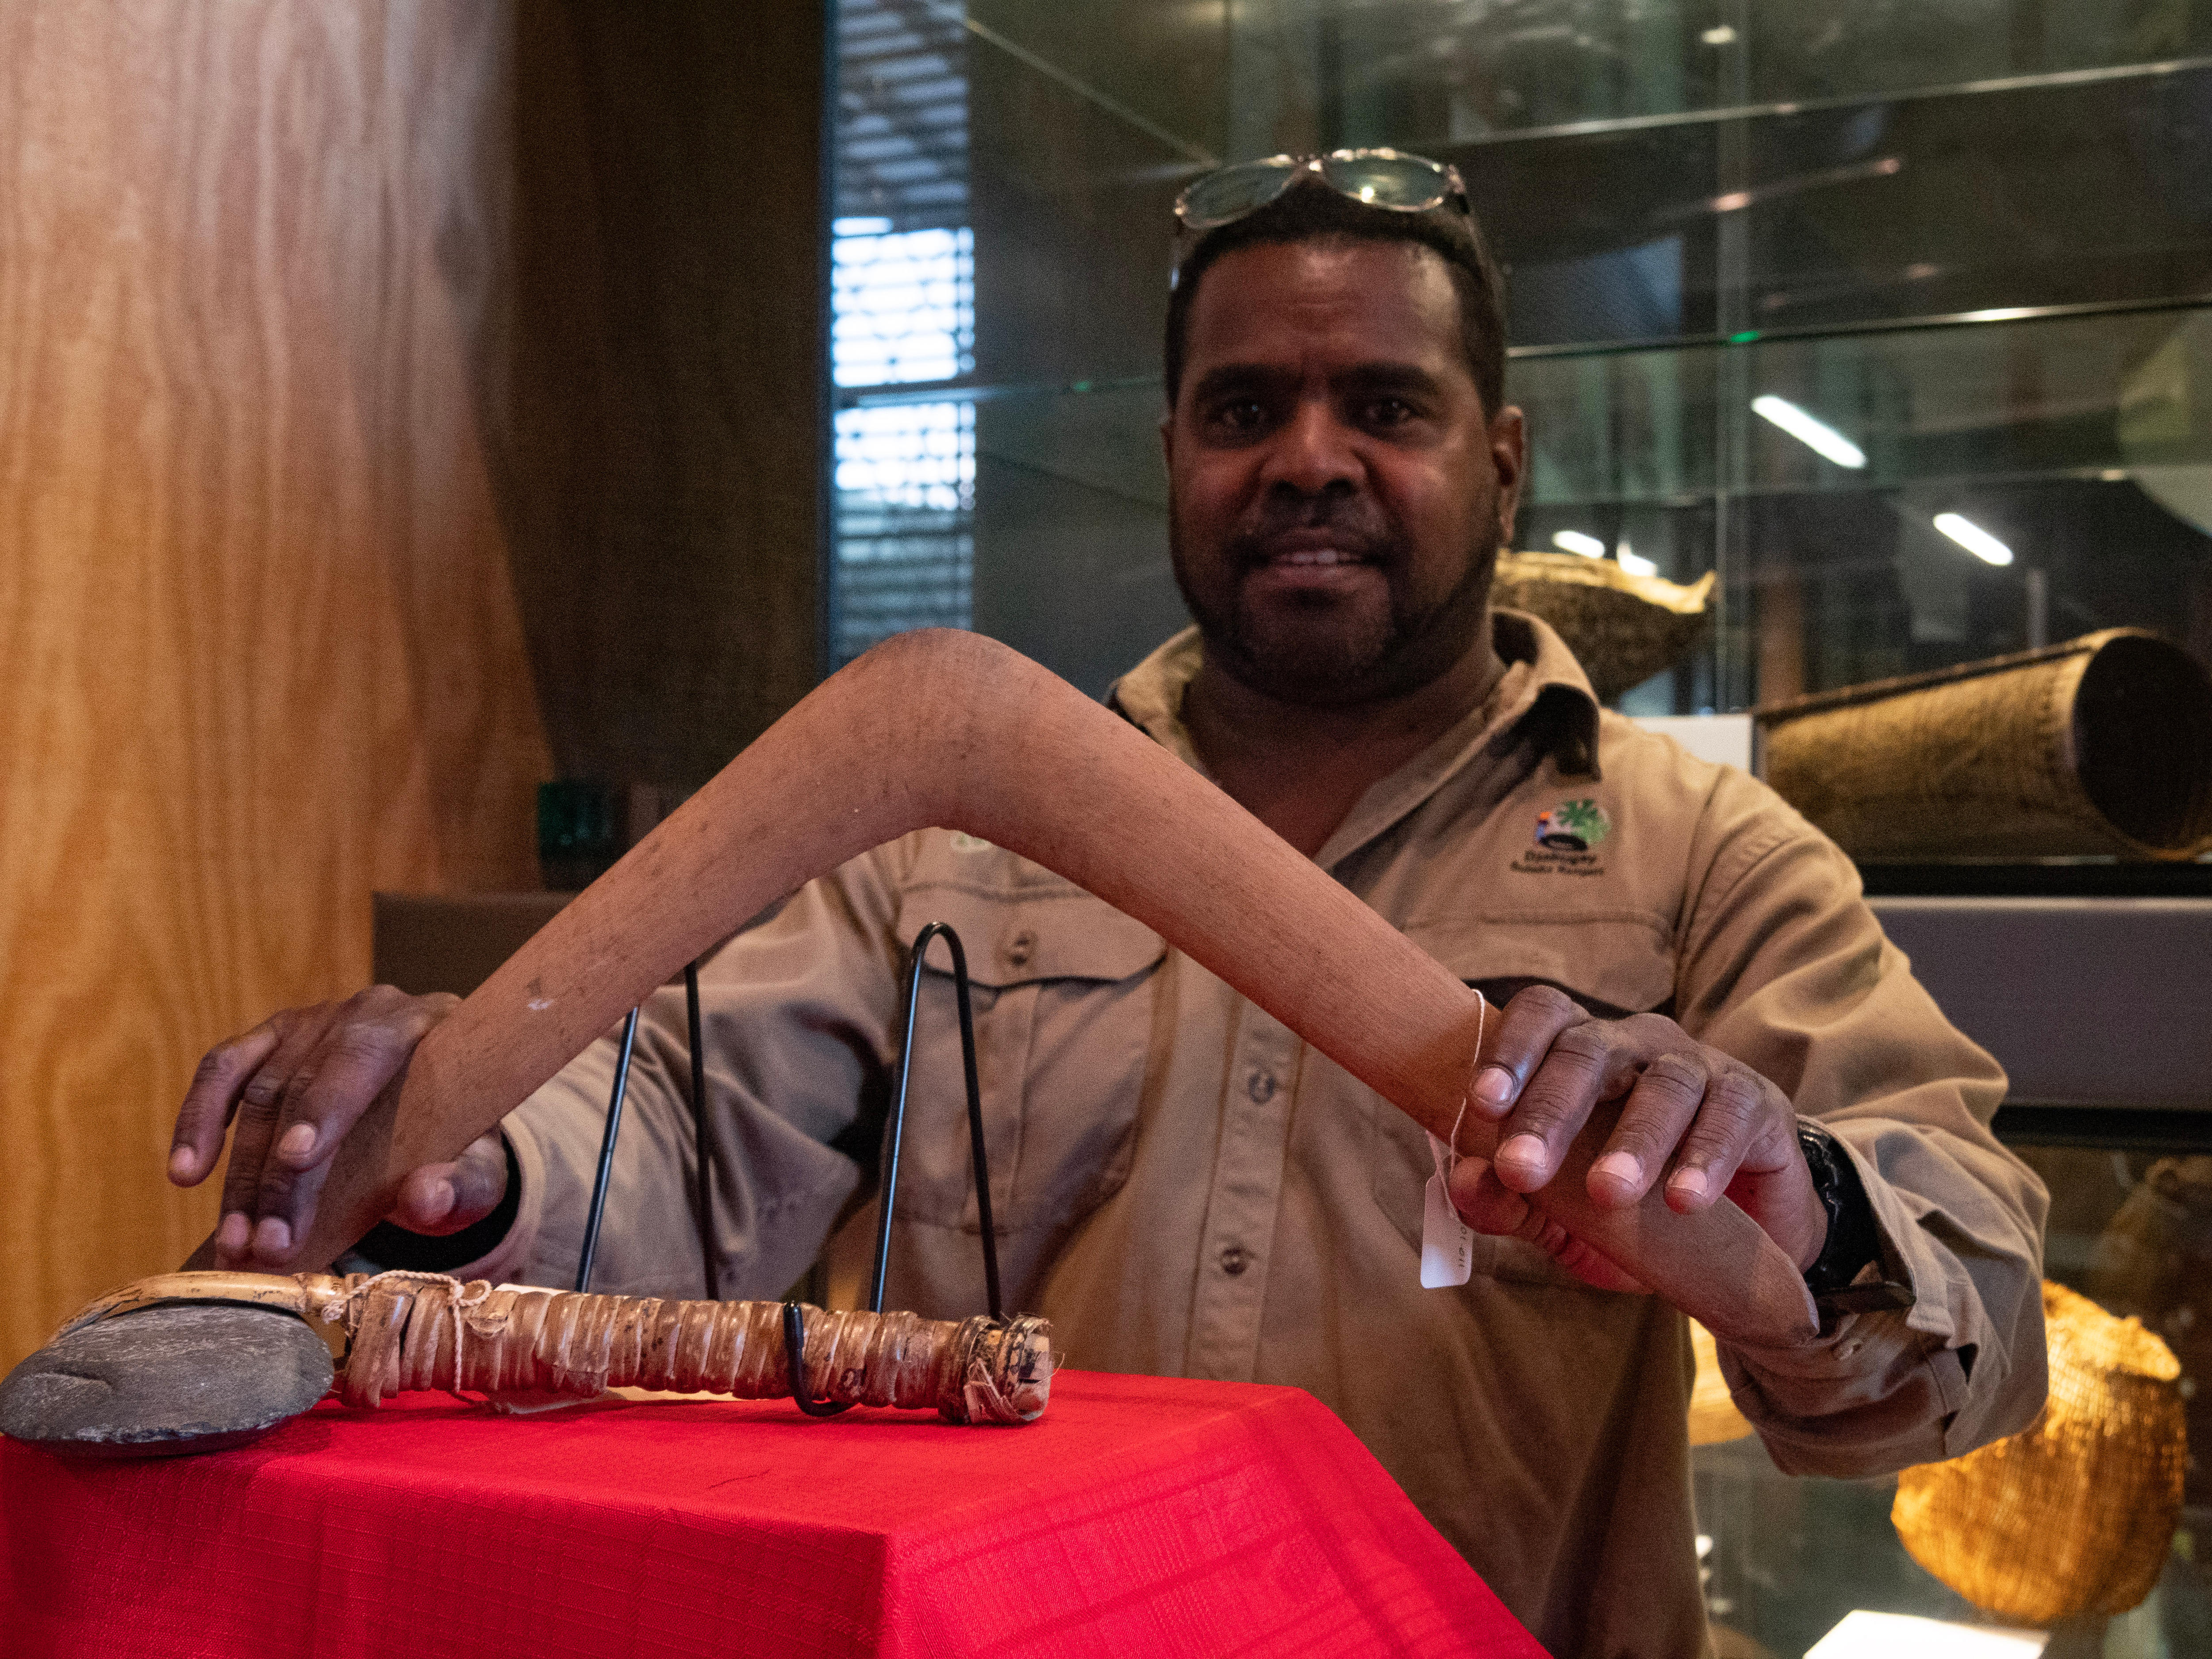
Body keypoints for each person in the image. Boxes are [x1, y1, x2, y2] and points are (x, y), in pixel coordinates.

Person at [166, 151, 2047, 1658]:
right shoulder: (939, 845)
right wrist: (468, 1149)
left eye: (1379, 401)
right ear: (1169, 452)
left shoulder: (1700, 854)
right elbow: (672, 1126)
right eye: (1244, 405)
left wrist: (1789, 1209)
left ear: (1499, 457)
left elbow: (1969, 1295)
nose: (1306, 455)